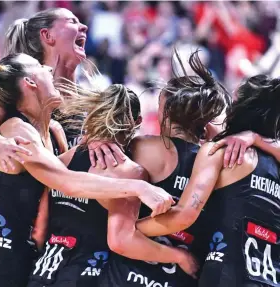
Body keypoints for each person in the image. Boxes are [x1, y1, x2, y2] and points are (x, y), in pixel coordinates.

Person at [0, 46, 173, 287]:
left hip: (38, 264)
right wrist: (138, 187)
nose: (48, 68)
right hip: (3, 266)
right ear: (30, 83)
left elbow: (68, 173)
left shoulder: (54, 130)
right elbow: (66, 181)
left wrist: (98, 136)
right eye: (40, 67)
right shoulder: (17, 128)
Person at [26, 81, 197, 287]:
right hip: (86, 276)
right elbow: (121, 241)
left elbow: (38, 231)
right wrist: (179, 256)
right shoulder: (129, 171)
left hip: (43, 272)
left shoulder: (61, 162)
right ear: (137, 122)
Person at [98, 51, 231, 287]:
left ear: (166, 112)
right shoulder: (216, 161)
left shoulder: (143, 147)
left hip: (127, 276)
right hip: (181, 278)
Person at [136, 75, 280, 287]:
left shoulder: (221, 152)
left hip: (226, 274)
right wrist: (257, 138)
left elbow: (184, 216)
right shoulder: (275, 164)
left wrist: (132, 230)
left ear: (242, 106)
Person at [0, 8, 123, 171]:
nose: (84, 27)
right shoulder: (28, 90)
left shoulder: (92, 100)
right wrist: (0, 144)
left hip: (74, 189)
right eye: (72, 21)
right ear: (47, 35)